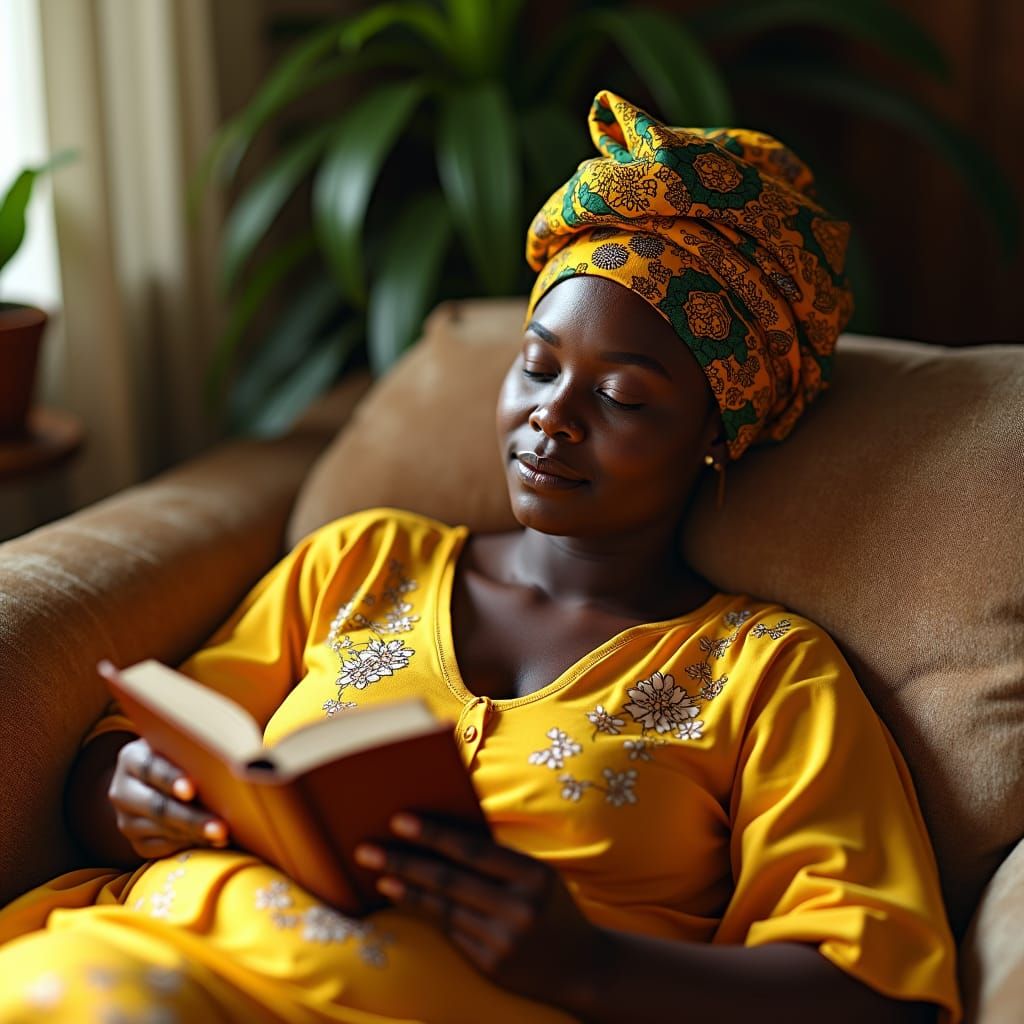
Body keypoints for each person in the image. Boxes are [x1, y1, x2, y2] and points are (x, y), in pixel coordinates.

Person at [0, 89, 960, 1023]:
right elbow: (122, 761)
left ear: (717, 431)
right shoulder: (361, 562)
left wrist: (589, 967)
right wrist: (133, 793)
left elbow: (876, 988)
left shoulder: (769, 675)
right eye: (538, 366)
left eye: (622, 397)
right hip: (137, 960)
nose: (553, 415)